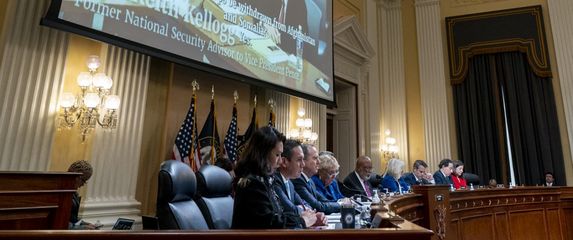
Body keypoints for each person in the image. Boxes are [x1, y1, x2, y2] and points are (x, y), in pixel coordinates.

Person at [232, 126, 317, 229]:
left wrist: (305, 218)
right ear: (263, 154)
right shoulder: (253, 183)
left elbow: (279, 214)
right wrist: (302, 220)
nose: (280, 161)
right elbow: (269, 222)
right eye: (277, 155)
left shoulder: (265, 180)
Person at [272, 140, 326, 226]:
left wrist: (311, 215)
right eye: (299, 160)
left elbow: (306, 205)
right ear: (284, 162)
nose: (303, 164)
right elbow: (290, 209)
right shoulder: (275, 181)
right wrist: (305, 213)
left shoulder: (289, 183)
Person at [292, 144, 341, 214]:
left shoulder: (310, 181)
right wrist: (342, 204)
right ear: (304, 161)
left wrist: (342, 204)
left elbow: (324, 201)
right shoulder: (298, 180)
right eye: (315, 158)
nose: (319, 162)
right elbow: (317, 206)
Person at [68, 160, 97, 230]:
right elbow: (57, 221)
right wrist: (81, 228)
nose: (83, 184)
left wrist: (83, 223)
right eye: (83, 180)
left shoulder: (74, 193)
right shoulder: (60, 193)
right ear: (77, 177)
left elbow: (72, 217)